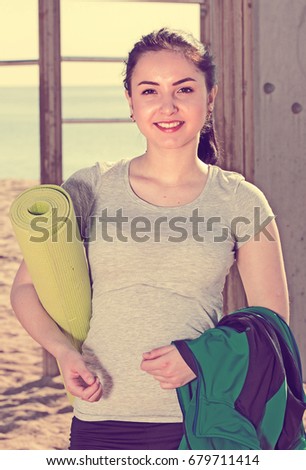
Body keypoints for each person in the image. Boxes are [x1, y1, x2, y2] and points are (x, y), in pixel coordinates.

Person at [10, 28, 290, 450]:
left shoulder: (242, 200)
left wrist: (200, 359)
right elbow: (25, 287)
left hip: (202, 418)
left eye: (184, 88)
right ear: (131, 102)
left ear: (209, 97)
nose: (167, 106)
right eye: (149, 90)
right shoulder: (89, 187)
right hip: (101, 419)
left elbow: (272, 322)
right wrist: (63, 353)